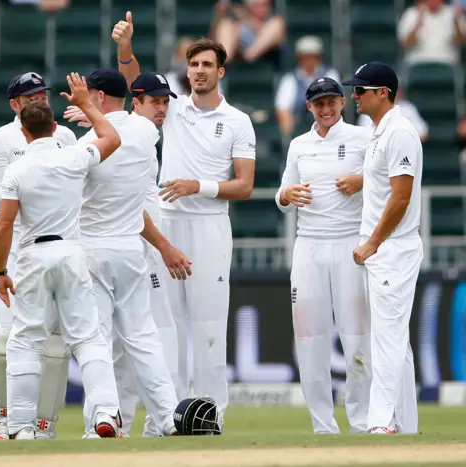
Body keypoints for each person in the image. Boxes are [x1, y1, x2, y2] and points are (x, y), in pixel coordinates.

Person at [112, 13, 257, 417]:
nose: (198, 71)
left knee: (209, 326)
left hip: (210, 226)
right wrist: (125, 48)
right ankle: (171, 414)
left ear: (220, 71)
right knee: (165, 325)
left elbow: (244, 185)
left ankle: (211, 415)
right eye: (193, 65)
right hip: (166, 225)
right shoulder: (171, 108)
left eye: (206, 65)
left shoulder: (238, 121)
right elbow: (134, 84)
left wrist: (199, 186)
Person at [0, 74, 123, 440]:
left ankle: (20, 426)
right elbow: (112, 138)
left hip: (33, 255)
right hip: (70, 251)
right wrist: (86, 104)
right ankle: (106, 414)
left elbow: (4, 226)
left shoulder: (16, 170)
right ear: (54, 127)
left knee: (25, 341)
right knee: (88, 338)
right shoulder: (74, 156)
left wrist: (1, 270)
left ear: (23, 132)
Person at [64, 71, 192, 437]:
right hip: (130, 249)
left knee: (97, 340)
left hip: (91, 249)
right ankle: (168, 417)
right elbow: (123, 130)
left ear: (99, 96)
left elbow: (106, 142)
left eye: (89, 94)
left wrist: (88, 114)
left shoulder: (87, 144)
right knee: (143, 337)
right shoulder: (148, 133)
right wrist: (91, 110)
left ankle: (104, 418)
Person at [275, 77, 372, 435]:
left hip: (350, 244)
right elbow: (282, 197)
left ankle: (362, 423)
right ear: (309, 108)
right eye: (319, 104)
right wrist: (287, 195)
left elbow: (386, 179)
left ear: (342, 102)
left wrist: (361, 181)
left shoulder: (363, 138)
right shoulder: (299, 145)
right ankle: (322, 426)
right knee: (310, 338)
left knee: (357, 337)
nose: (326, 109)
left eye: (332, 102)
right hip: (309, 247)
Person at [0, 72, 76, 441]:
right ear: (14, 104)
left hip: (55, 245)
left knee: (53, 341)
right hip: (14, 247)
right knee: (6, 337)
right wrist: (22, 185)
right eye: (30, 95)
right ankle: (5, 420)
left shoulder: (64, 135)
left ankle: (44, 423)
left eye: (42, 94)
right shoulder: (1, 139)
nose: (38, 100)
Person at [343, 62, 424, 435]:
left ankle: (381, 423)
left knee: (387, 340)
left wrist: (373, 243)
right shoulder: (379, 132)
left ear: (383, 93)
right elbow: (382, 183)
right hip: (383, 250)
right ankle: (405, 426)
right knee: (396, 342)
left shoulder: (401, 131)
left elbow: (401, 197)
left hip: (392, 249)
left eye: (361, 90)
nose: (354, 96)